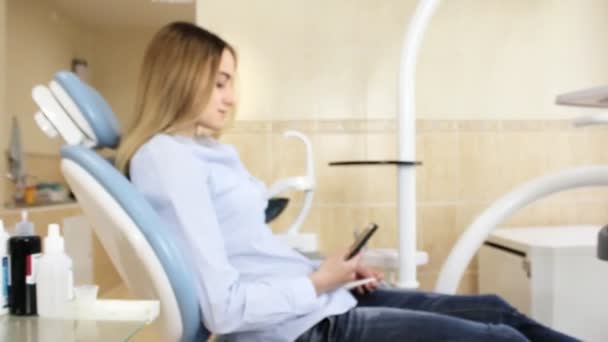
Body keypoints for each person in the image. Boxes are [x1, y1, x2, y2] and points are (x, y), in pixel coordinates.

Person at [115, 22, 579, 342]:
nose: (231, 98)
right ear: (181, 78)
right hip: (298, 330)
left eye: (230, 83)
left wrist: (326, 270)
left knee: (496, 310)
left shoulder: (207, 151)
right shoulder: (166, 159)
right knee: (499, 338)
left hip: (318, 302)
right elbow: (223, 307)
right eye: (219, 82)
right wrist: (318, 280)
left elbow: (250, 252)